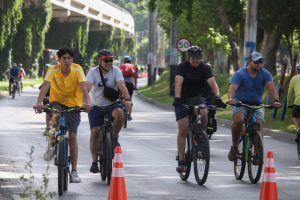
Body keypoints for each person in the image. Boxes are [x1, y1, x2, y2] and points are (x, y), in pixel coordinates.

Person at [34, 46, 91, 183]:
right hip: (57, 101)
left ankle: (75, 171)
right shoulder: (52, 70)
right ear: (58, 59)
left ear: (72, 59)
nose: (66, 61)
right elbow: (46, 86)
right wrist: (39, 102)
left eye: (69, 58)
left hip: (74, 104)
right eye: (63, 58)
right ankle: (51, 141)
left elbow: (84, 88)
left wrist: (87, 103)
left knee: (72, 136)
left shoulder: (78, 70)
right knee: (53, 114)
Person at [173, 46, 226, 172]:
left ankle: (200, 136)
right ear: (189, 57)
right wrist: (178, 98)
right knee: (183, 128)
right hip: (183, 99)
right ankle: (181, 160)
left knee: (204, 112)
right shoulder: (182, 67)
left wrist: (217, 97)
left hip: (197, 99)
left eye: (198, 58)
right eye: (193, 58)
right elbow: (178, 82)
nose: (196, 60)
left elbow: (213, 83)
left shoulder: (205, 68)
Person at [227, 51, 280, 161]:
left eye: (260, 62)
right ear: (250, 62)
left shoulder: (265, 74)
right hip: (240, 103)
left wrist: (276, 100)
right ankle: (234, 146)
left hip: (257, 104)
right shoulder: (240, 74)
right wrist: (231, 99)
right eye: (256, 62)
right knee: (239, 120)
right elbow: (232, 88)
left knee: (258, 124)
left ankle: (257, 154)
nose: (258, 64)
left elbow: (272, 88)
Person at [86, 49, 131, 173]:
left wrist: (127, 99)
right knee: (95, 132)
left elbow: (122, 86)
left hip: (112, 103)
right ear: (99, 61)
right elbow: (87, 87)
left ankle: (114, 138)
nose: (109, 63)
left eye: (111, 60)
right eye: (106, 60)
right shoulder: (93, 72)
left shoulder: (116, 71)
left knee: (120, 114)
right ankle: (94, 162)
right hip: (95, 105)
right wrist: (85, 101)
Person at [119, 55, 138, 120]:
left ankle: (120, 112)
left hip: (122, 84)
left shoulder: (121, 66)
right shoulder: (133, 67)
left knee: (120, 98)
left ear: (124, 61)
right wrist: (135, 86)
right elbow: (135, 78)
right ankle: (129, 115)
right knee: (129, 98)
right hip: (130, 84)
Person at [287, 63, 300, 142]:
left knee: (295, 116)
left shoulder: (294, 78)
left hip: (298, 101)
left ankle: (298, 129)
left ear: (297, 71)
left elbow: (290, 93)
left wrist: (289, 104)